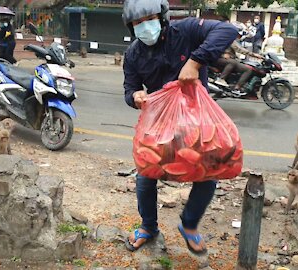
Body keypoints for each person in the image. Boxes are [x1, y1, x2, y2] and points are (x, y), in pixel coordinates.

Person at [122, 0, 237, 255]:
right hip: (160, 126)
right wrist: (135, 98)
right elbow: (129, 89)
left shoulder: (186, 31)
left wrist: (195, 62)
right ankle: (149, 226)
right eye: (137, 23)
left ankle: (189, 224)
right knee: (145, 175)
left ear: (162, 17)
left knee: (208, 174)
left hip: (197, 123)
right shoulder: (133, 54)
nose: (144, 27)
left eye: (148, 19)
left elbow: (228, 31)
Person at [214, 23, 265, 96]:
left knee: (245, 66)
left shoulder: (230, 38)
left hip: (226, 59)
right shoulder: (228, 39)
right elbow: (240, 49)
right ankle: (230, 84)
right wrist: (254, 55)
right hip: (218, 59)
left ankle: (236, 86)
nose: (239, 36)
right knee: (242, 67)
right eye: (239, 34)